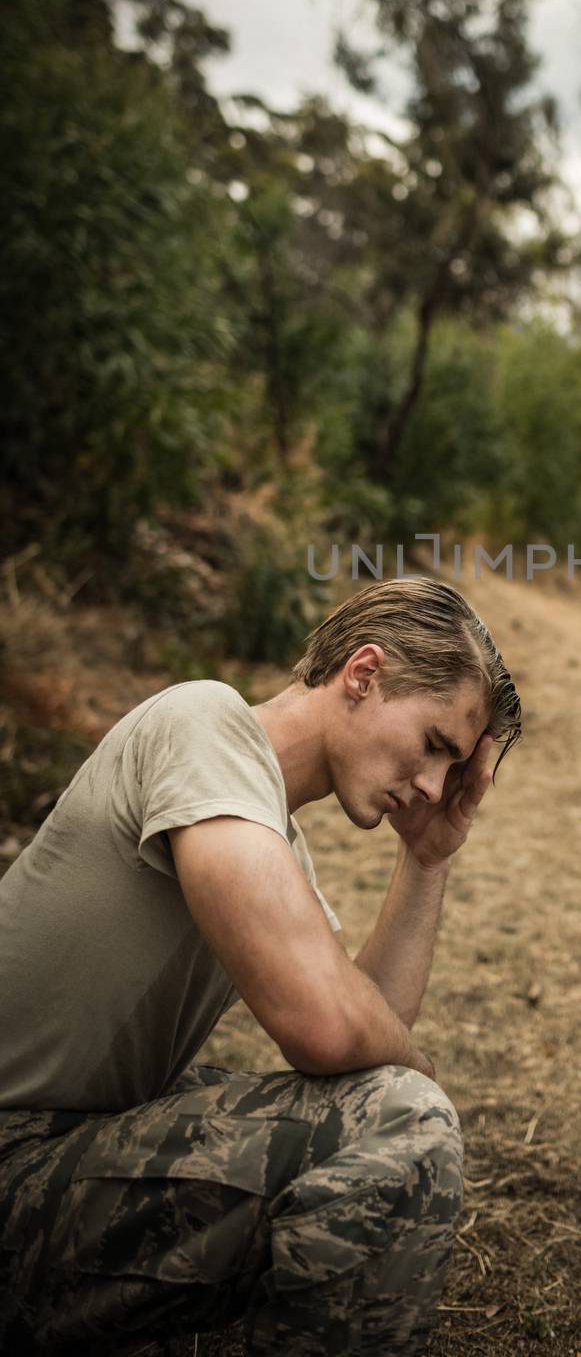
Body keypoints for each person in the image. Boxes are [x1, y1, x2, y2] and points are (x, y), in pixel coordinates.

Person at [0, 576, 522, 1355]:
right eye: (434, 746)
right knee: (405, 1122)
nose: (433, 786)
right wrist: (421, 1070)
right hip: (16, 1154)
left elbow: (365, 1023)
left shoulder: (264, 831)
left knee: (390, 1108)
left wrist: (428, 859)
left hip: (58, 1142)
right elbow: (327, 1029)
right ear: (363, 674)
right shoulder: (201, 725)